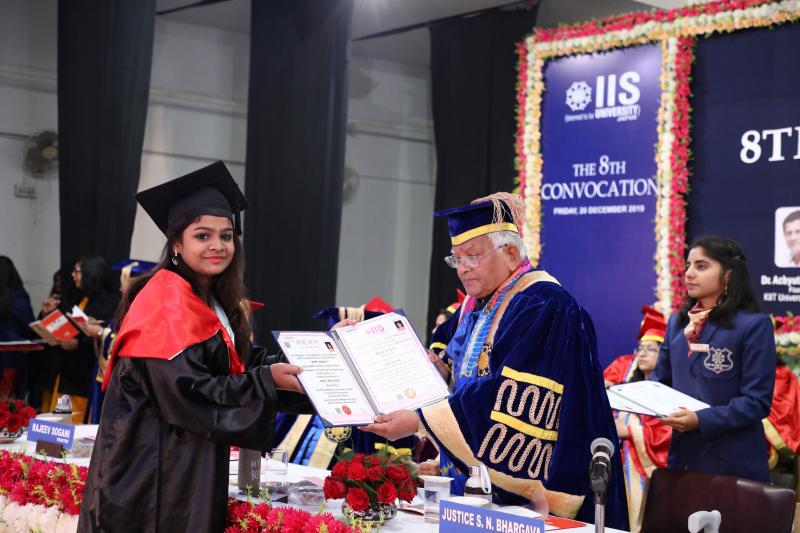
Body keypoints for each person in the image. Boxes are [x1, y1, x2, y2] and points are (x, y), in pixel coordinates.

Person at [361, 192, 627, 528]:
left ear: (512, 254)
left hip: (536, 495)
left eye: (473, 256)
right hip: (477, 488)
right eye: (456, 259)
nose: (463, 269)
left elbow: (505, 393)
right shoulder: (475, 307)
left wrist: (420, 420)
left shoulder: (544, 304)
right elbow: (459, 376)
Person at [78, 162, 309, 532]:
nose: (218, 245)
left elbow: (236, 367)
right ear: (176, 243)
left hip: (186, 464)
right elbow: (191, 394)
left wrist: (319, 359)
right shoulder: (165, 304)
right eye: (203, 235)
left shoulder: (210, 300)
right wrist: (267, 380)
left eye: (227, 236)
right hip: (150, 475)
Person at [653, 236, 775, 482]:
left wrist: (700, 420)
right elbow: (661, 382)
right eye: (688, 265)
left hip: (734, 466)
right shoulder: (677, 323)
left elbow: (756, 402)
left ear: (728, 275)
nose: (689, 273)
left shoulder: (753, 325)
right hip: (683, 461)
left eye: (701, 266)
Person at [609, 319, 671, 533]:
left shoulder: (669, 393)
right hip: (619, 463)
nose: (642, 354)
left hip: (646, 472)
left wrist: (629, 430)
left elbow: (668, 434)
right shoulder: (628, 389)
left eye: (651, 349)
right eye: (640, 348)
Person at [39, 255, 118, 421]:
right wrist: (48, 314)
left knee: (74, 423)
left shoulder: (108, 303)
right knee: (56, 421)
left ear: (91, 273)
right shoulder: (77, 297)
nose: (73, 275)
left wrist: (78, 343)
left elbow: (108, 336)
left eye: (77, 271)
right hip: (64, 370)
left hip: (84, 373)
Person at [0, 256, 36, 398]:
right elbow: (30, 326)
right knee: (9, 402)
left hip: (8, 357)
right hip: (12, 357)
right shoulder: (17, 298)